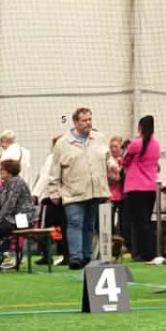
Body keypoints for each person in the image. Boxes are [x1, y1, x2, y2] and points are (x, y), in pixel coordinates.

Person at [46, 108, 109, 270]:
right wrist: (54, 191)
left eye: (90, 119)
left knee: (89, 225)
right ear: (75, 122)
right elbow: (55, 170)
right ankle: (75, 257)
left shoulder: (100, 138)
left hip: (95, 190)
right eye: (84, 120)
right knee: (75, 223)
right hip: (72, 191)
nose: (88, 123)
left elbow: (107, 159)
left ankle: (86, 256)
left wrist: (113, 165)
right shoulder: (62, 143)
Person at [120, 116, 164, 266]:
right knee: (146, 221)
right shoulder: (156, 144)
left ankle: (140, 252)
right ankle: (149, 251)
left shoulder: (135, 144)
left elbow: (124, 161)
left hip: (135, 187)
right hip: (151, 187)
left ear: (140, 127)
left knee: (137, 223)